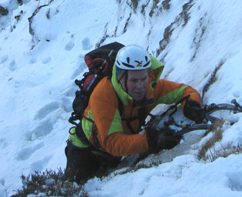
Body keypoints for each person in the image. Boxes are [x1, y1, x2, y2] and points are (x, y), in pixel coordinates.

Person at [65, 44, 204, 183]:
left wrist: (191, 103)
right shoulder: (103, 95)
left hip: (116, 153)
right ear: (120, 78)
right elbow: (112, 143)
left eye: (143, 78)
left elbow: (186, 91)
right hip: (85, 151)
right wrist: (151, 140)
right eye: (133, 80)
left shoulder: (149, 87)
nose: (140, 86)